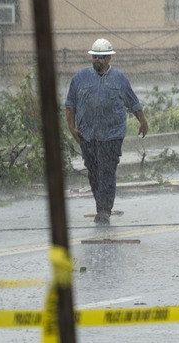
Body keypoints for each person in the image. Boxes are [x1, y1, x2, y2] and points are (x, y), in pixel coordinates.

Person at [65, 38, 148, 224]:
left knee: (107, 171)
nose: (98, 60)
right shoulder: (79, 78)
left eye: (102, 57)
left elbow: (133, 102)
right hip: (88, 135)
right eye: (95, 56)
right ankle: (101, 207)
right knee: (93, 171)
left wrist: (142, 120)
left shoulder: (119, 78)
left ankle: (104, 210)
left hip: (112, 134)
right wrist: (71, 127)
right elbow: (70, 105)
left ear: (109, 58)